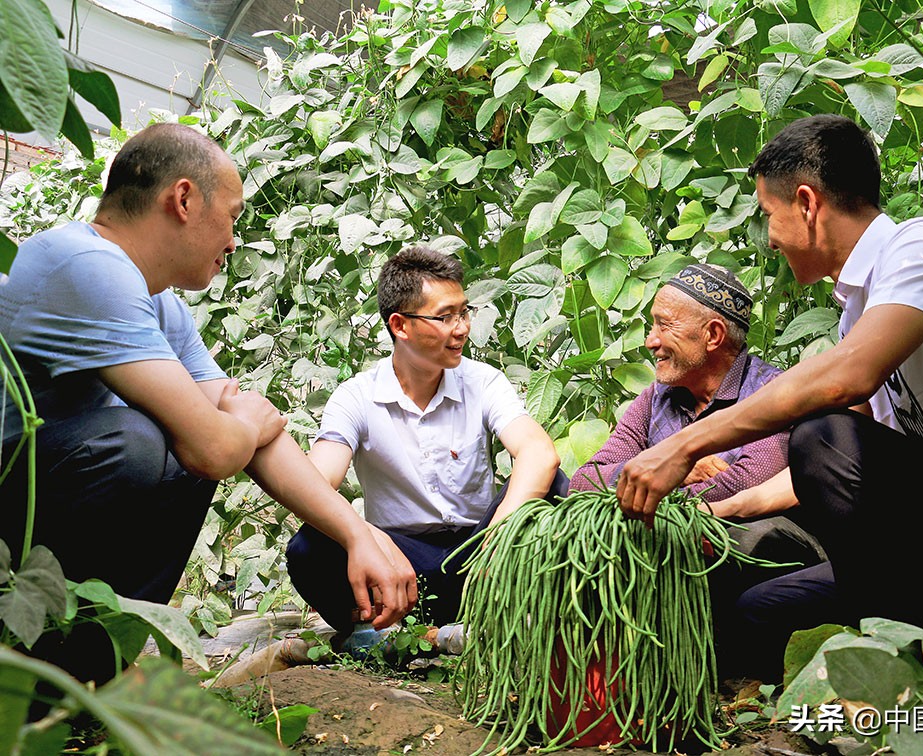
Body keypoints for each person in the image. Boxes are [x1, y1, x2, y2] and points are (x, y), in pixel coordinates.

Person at [613, 115, 923, 687]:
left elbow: (847, 388)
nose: (769, 238)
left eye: (769, 216)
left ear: (807, 203)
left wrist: (684, 448)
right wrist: (718, 512)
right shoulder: (857, 311)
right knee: (758, 612)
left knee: (819, 431)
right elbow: (845, 471)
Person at [0, 123, 417, 685]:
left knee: (179, 451)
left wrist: (358, 535)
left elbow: (245, 430)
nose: (235, 240)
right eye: (234, 216)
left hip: (35, 509)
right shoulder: (84, 263)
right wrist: (232, 427)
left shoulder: (157, 301)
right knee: (140, 443)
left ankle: (81, 677)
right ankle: (31, 663)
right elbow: (216, 444)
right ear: (184, 198)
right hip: (10, 509)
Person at [286, 246, 565, 631]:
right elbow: (312, 484)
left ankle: (514, 619)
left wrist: (498, 539)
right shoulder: (357, 396)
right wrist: (365, 537)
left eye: (464, 312)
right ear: (400, 326)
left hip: (483, 558)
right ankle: (376, 633)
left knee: (555, 491)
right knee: (308, 546)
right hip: (400, 569)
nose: (462, 327)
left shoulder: (483, 381)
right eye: (445, 317)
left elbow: (538, 452)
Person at [569, 263, 822, 570]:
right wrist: (670, 471)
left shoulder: (772, 392)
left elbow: (747, 482)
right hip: (665, 551)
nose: (651, 341)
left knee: (746, 539)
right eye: (653, 326)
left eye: (664, 326)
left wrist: (646, 494)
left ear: (712, 335)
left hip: (751, 556)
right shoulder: (654, 398)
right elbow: (583, 481)